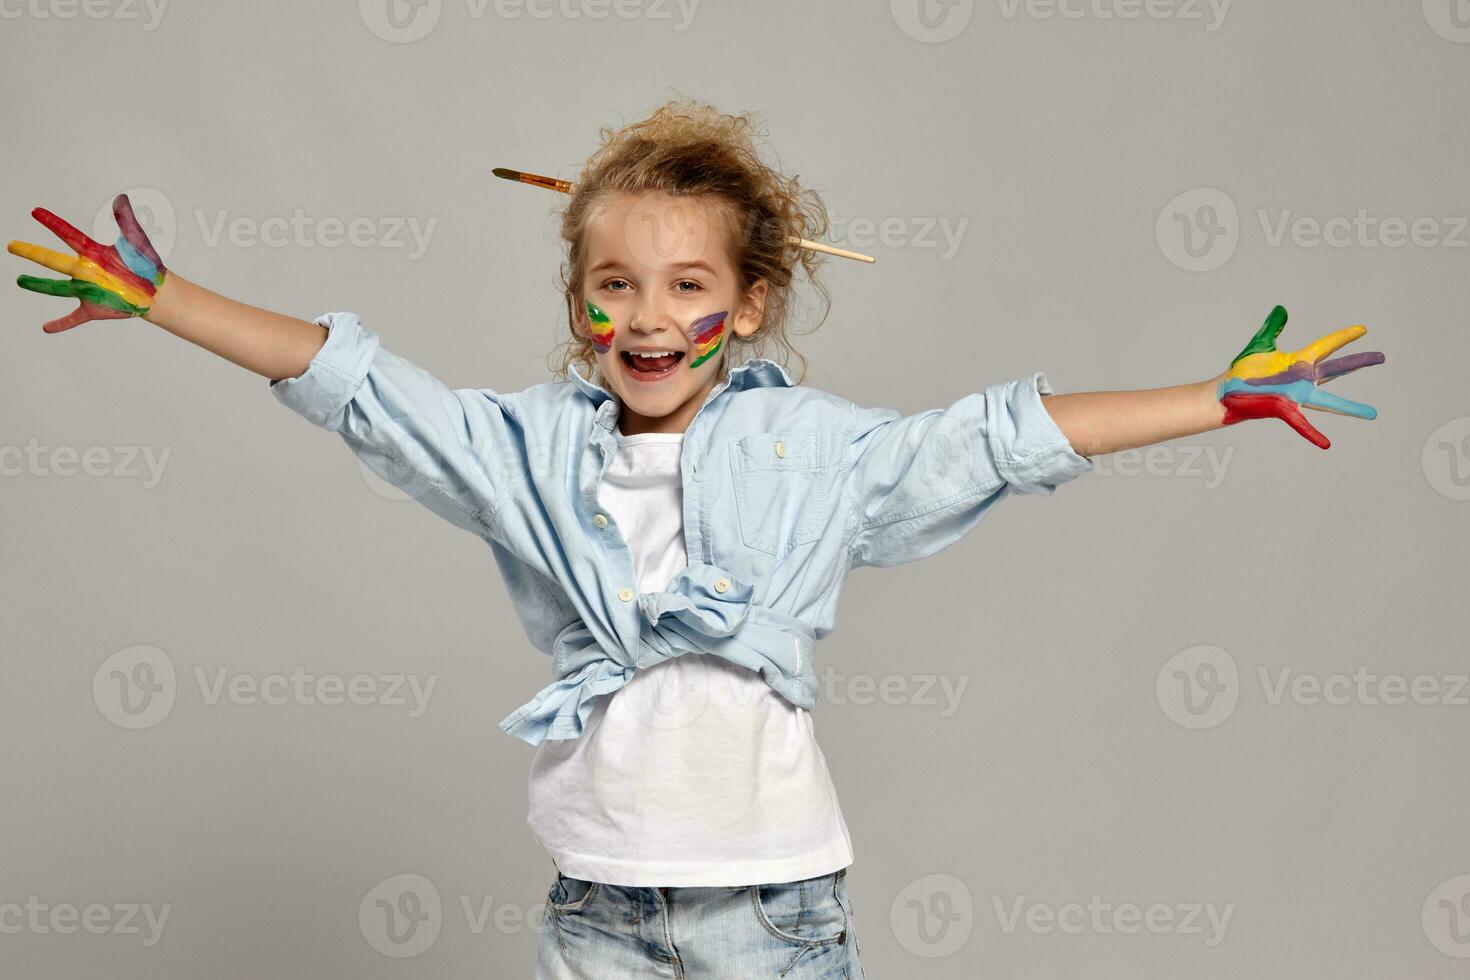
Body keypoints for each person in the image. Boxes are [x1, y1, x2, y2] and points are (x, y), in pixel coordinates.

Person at [7, 98, 1382, 979]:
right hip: (599, 906)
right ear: (578, 299)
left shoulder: (815, 452)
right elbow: (363, 390)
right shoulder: (529, 451)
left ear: (754, 301)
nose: (647, 318)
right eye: (614, 284)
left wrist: (1219, 397)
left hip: (771, 907)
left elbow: (994, 437)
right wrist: (167, 295)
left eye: (685, 285)